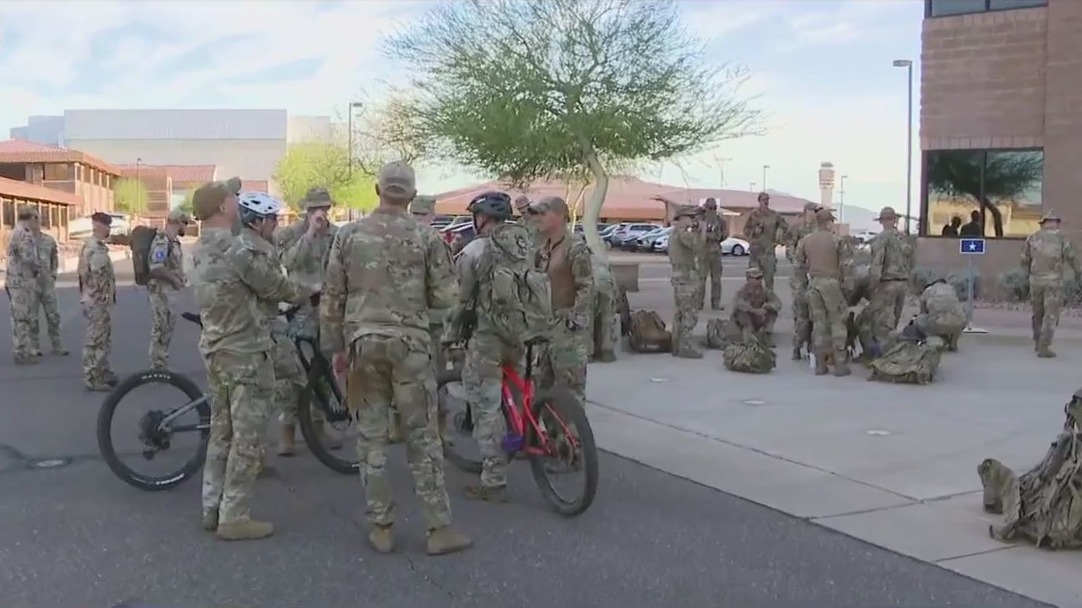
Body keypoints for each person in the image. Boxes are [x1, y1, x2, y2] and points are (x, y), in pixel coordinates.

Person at [322, 161, 471, 556]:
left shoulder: (349, 235)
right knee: (422, 437)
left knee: (371, 438)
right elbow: (447, 298)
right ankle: (438, 529)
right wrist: (433, 334)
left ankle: (381, 527)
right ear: (410, 195)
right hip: (411, 346)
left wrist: (336, 348)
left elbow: (332, 296)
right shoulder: (426, 238)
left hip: (363, 343)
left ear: (377, 190)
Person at [190, 182, 308, 541]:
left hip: (215, 348)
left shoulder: (200, 247)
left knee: (221, 432)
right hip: (244, 352)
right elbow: (273, 286)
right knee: (248, 437)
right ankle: (235, 516)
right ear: (222, 207)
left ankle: (212, 508)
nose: (234, 201)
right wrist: (309, 290)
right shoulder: (236, 247)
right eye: (230, 198)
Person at [446, 191, 530, 503]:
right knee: (516, 394)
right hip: (521, 333)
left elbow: (462, 300)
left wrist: (450, 335)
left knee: (486, 405)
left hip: (488, 338)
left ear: (480, 218)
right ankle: (525, 436)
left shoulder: (474, 251)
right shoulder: (525, 244)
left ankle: (493, 480)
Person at [274, 186, 341, 455]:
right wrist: (311, 234)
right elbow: (289, 262)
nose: (320, 213)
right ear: (306, 210)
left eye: (324, 208)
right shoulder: (290, 235)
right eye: (315, 208)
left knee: (322, 370)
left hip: (327, 310)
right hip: (298, 310)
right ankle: (287, 429)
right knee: (293, 373)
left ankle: (318, 425)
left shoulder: (338, 235)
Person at [533, 196, 593, 409]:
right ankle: (552, 439)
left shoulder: (575, 247)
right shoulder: (543, 249)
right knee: (543, 389)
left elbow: (586, 286)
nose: (538, 218)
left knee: (570, 391)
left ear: (559, 215)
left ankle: (574, 440)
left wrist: (575, 318)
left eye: (543, 213)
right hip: (545, 330)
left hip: (567, 332)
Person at [794, 207, 852, 376]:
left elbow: (798, 265)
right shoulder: (836, 240)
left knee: (819, 324)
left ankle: (820, 363)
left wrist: (804, 283)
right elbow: (846, 265)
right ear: (828, 222)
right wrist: (848, 286)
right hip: (831, 284)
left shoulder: (806, 240)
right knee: (837, 322)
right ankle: (840, 363)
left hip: (814, 284)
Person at [1020, 210, 1081, 358]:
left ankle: (1037, 341)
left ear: (1043, 223)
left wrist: (1028, 276)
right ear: (1055, 223)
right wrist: (1079, 272)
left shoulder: (1032, 238)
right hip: (1053, 283)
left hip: (1035, 281)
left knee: (1037, 312)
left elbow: (1024, 259)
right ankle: (1044, 345)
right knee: (1051, 314)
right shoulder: (1062, 239)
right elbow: (1072, 258)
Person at [78, 212, 119, 390]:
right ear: (97, 226)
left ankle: (101, 372)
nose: (109, 229)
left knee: (102, 339)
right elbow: (96, 276)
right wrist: (101, 299)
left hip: (98, 300)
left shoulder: (95, 246)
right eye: (106, 225)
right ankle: (92, 377)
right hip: (97, 301)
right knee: (95, 339)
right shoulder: (94, 248)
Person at [146, 208, 191, 370]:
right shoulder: (162, 241)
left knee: (167, 328)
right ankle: (157, 366)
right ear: (177, 222)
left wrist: (179, 277)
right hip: (160, 292)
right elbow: (156, 267)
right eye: (185, 223)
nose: (186, 227)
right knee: (161, 328)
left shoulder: (173, 242)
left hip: (168, 293)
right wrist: (174, 279)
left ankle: (161, 362)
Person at [866, 206, 910, 349]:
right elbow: (912, 261)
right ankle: (893, 350)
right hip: (902, 284)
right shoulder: (904, 239)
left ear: (882, 221)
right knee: (895, 319)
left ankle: (885, 356)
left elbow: (877, 263)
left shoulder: (881, 239)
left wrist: (873, 284)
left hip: (887, 284)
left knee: (883, 322)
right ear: (895, 220)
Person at [666, 203, 707, 358]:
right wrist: (702, 231)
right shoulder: (682, 233)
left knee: (681, 313)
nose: (695, 220)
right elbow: (698, 246)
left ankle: (678, 345)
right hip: (686, 277)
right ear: (685, 217)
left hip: (680, 276)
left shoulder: (676, 232)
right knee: (689, 313)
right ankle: (685, 346)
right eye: (693, 217)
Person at [28, 209, 68, 357]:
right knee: (32, 317)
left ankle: (57, 345)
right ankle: (34, 346)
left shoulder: (48, 240)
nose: (34, 222)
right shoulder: (23, 241)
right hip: (30, 284)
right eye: (31, 219)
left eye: (36, 219)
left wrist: (53, 274)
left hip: (47, 283)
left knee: (53, 315)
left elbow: (54, 259)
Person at [6, 205, 43, 364]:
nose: (37, 222)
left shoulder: (17, 232)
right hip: (21, 281)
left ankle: (23, 350)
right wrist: (39, 266)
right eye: (36, 218)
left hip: (18, 280)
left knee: (21, 316)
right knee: (22, 317)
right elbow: (28, 257)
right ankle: (21, 352)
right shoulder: (23, 234)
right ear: (30, 218)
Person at [788, 203, 818, 360]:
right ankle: (798, 344)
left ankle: (812, 344)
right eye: (812, 211)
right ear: (805, 212)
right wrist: (799, 262)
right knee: (800, 311)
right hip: (800, 275)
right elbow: (790, 248)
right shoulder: (797, 229)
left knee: (816, 311)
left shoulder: (820, 230)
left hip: (816, 274)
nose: (814, 214)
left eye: (816, 211)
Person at [742, 191, 788, 291]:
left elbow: (785, 227)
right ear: (759, 201)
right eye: (763, 200)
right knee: (753, 280)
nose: (765, 202)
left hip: (769, 251)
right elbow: (746, 230)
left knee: (769, 280)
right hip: (756, 251)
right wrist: (754, 231)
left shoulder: (774, 215)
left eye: (767, 200)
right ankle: (754, 303)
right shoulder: (753, 215)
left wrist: (780, 234)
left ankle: (769, 303)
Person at [914, 277, 966, 351]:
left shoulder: (929, 290)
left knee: (919, 319)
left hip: (937, 322)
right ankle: (953, 342)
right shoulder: (951, 289)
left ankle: (935, 339)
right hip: (957, 323)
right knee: (961, 317)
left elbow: (923, 312)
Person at [730, 267, 780, 342]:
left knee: (773, 312)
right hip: (745, 321)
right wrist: (753, 310)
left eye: (760, 278)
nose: (759, 281)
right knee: (742, 313)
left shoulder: (764, 291)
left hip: (759, 317)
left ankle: (766, 334)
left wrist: (768, 306)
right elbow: (738, 303)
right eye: (756, 278)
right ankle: (749, 334)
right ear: (749, 279)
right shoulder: (743, 292)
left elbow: (778, 303)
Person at [588, 247, 618, 363]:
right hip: (607, 284)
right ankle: (607, 352)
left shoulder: (579, 258)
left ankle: (589, 353)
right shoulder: (601, 259)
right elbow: (614, 282)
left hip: (591, 285)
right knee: (607, 319)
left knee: (588, 320)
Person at [699, 198, 729, 310]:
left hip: (715, 252)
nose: (712, 210)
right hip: (703, 253)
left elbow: (725, 234)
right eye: (710, 208)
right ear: (705, 208)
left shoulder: (720, 221)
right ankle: (698, 303)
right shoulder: (700, 220)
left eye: (714, 208)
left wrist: (716, 236)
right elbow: (695, 235)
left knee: (716, 280)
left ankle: (715, 303)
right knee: (701, 279)